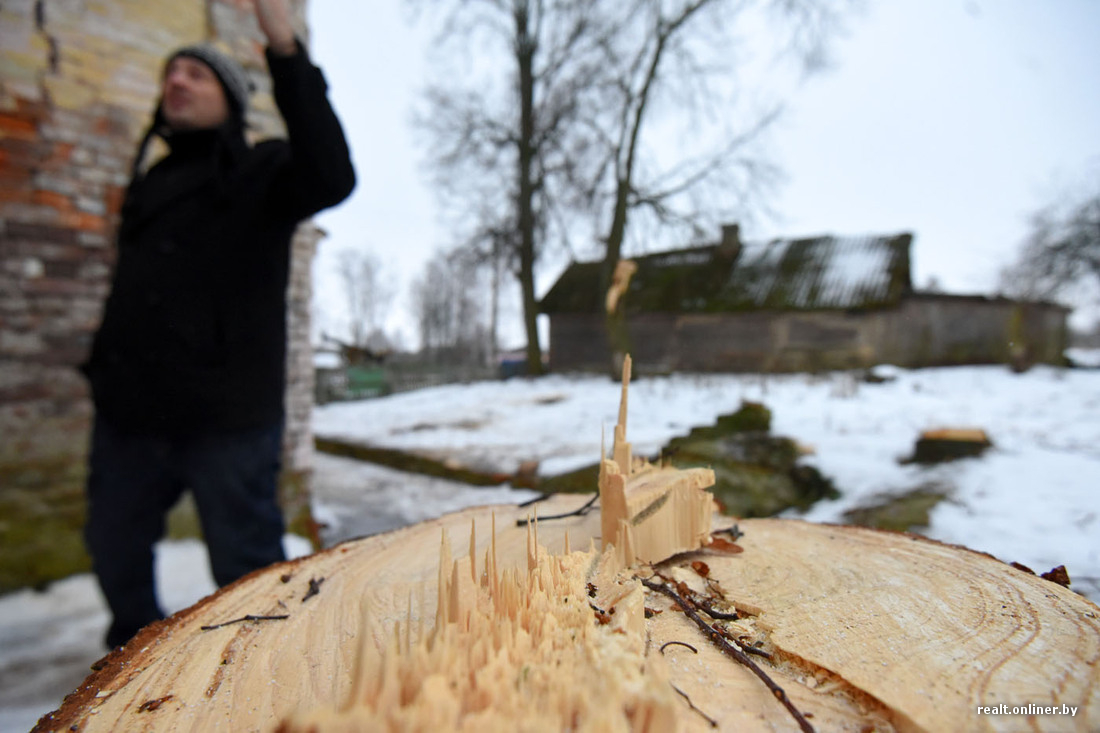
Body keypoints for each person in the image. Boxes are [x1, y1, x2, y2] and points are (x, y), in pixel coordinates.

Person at [80, 0, 355, 649]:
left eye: (196, 75)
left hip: (227, 418)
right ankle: (137, 659)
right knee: (113, 544)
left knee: (246, 565)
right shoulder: (149, 183)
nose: (177, 81)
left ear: (229, 100)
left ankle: (261, 674)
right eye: (172, 74)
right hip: (130, 415)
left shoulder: (264, 173)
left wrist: (284, 48)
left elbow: (332, 174)